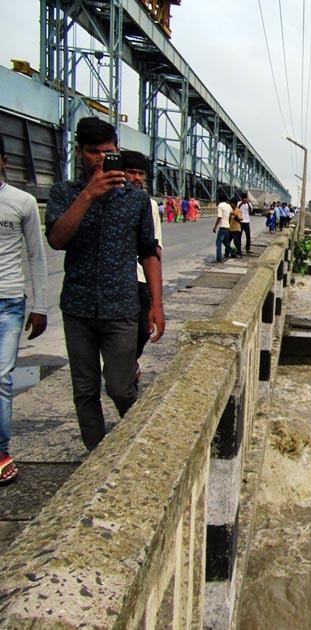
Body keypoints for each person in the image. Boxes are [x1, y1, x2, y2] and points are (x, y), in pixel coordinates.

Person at [46, 117, 164, 451]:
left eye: (107, 152)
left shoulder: (137, 201)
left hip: (122, 307)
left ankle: (140, 447)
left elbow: (149, 252)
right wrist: (88, 195)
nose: (100, 159)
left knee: (120, 387)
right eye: (93, 152)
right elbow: (57, 238)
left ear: (117, 151)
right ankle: (97, 456)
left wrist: (156, 305)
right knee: (84, 390)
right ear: (80, 151)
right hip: (78, 307)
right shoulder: (64, 193)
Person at [0, 135, 48, 484]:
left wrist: (40, 304)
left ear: (3, 160)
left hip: (9, 301)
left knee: (1, 379)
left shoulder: (22, 202)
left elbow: (36, 254)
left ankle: (1, 450)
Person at [121, 150, 163, 382]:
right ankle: (124, 370)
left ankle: (130, 361)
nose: (137, 178)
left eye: (141, 174)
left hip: (141, 278)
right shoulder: (106, 198)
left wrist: (158, 296)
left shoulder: (149, 205)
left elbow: (155, 250)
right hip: (120, 278)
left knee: (143, 329)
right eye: (132, 172)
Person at [212, 194, 234, 262]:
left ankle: (219, 258)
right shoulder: (229, 206)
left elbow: (219, 217)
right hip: (227, 227)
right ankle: (233, 253)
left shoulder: (220, 206)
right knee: (225, 242)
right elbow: (231, 214)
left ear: (219, 200)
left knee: (218, 242)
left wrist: (215, 226)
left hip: (222, 227)